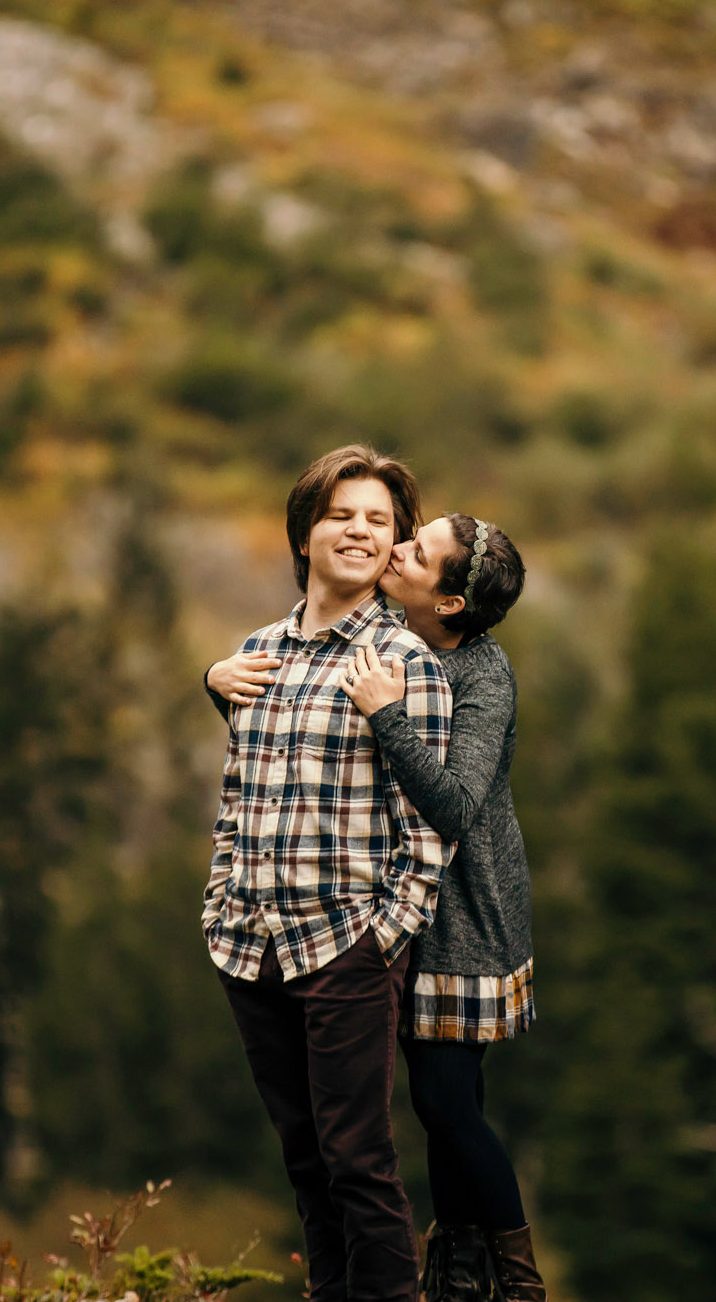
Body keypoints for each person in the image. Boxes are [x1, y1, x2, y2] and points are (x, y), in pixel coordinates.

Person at [210, 511, 545, 1302]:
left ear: (451, 602)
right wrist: (215, 679)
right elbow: (304, 728)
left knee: (443, 1099)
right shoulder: (395, 629)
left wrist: (387, 717)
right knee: (446, 1104)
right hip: (401, 894)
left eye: (417, 552)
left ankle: (520, 1281)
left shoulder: (482, 677)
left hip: (466, 911)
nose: (396, 549)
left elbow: (458, 806)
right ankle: (460, 1270)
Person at [202, 445, 454, 1302]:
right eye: (342, 514)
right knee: (305, 1157)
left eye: (379, 521)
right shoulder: (255, 653)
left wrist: (384, 936)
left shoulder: (402, 662)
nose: (359, 530)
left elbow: (427, 827)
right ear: (304, 531)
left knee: (359, 1160)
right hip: (253, 946)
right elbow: (239, 794)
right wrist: (221, 901)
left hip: (347, 946)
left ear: (395, 548)